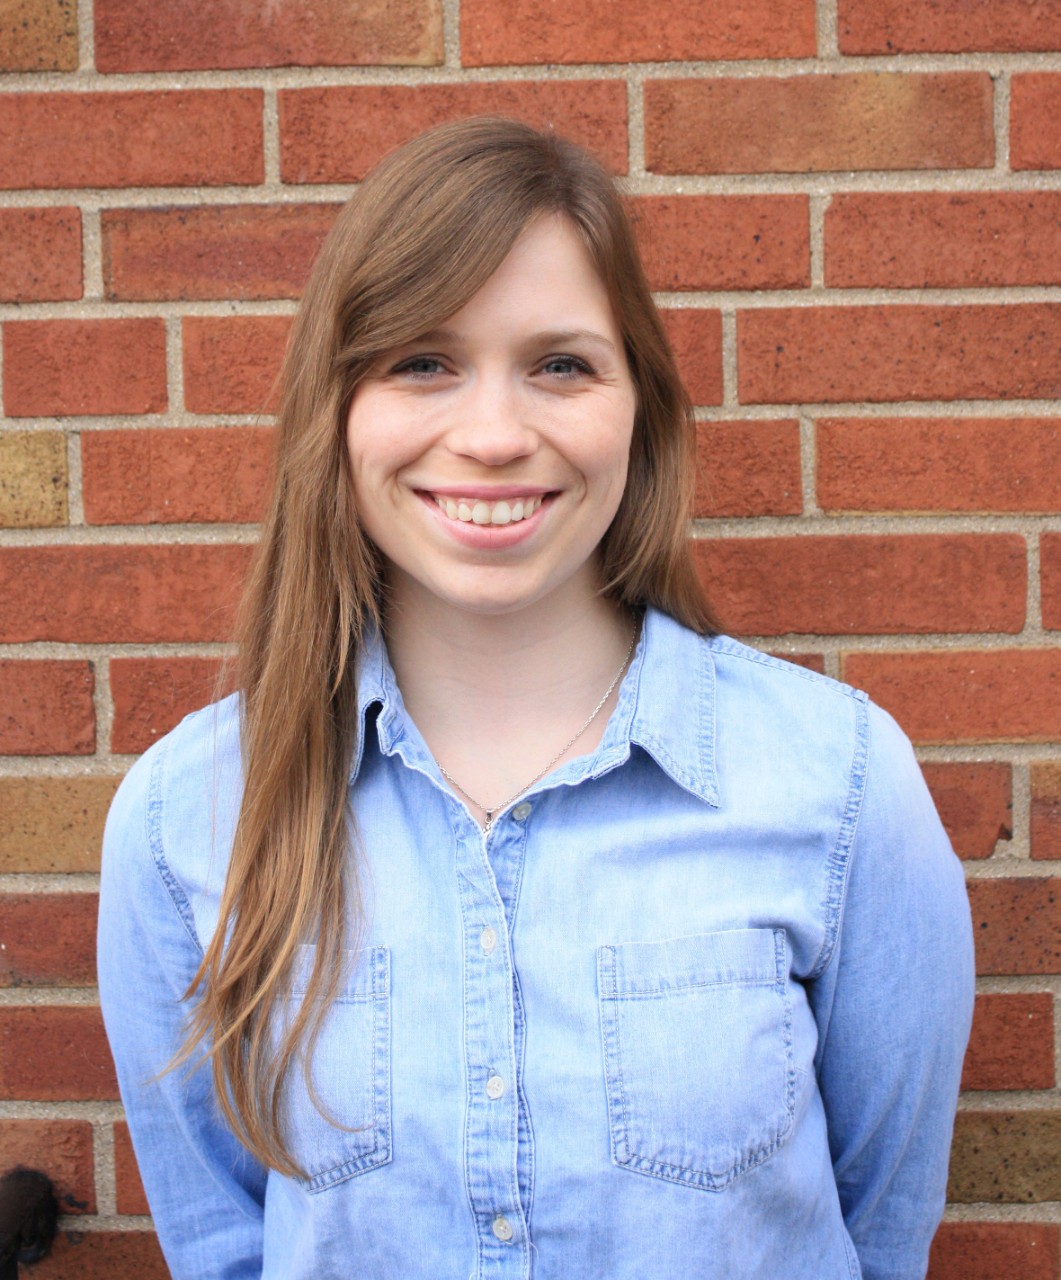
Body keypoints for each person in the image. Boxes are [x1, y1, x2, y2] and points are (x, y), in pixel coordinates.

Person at [98, 117, 974, 1280]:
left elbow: (877, 1232)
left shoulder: (840, 783)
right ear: (338, 409)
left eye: (560, 363)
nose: (495, 434)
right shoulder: (182, 819)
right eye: (422, 361)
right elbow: (224, 1247)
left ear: (636, 406)